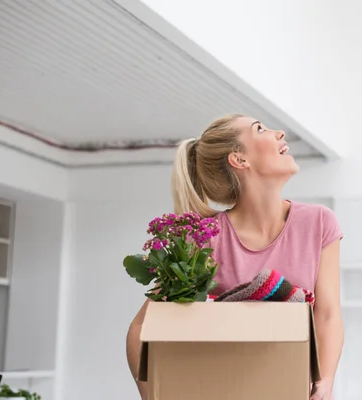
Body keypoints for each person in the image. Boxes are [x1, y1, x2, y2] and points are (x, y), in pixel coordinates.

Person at [125, 114, 344, 400]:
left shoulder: (319, 223)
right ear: (239, 159)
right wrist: (155, 395)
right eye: (261, 129)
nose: (279, 133)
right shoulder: (206, 239)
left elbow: (327, 314)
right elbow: (143, 325)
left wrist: (325, 383)